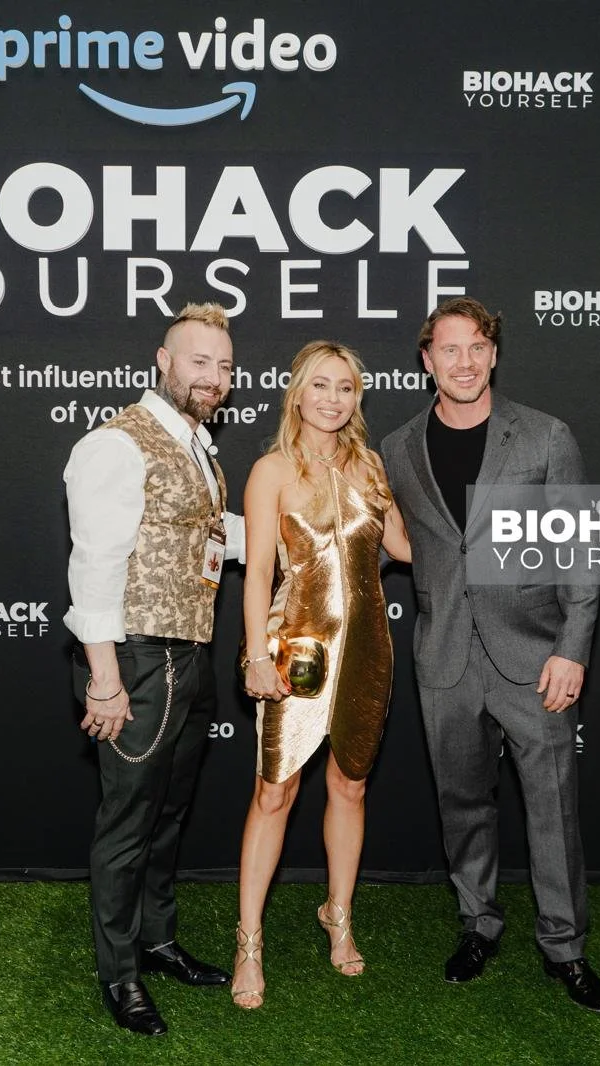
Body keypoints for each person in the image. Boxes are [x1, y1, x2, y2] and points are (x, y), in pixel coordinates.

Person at [378, 296, 600, 1013]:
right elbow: (402, 541)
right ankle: (478, 924)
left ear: (494, 355)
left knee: (551, 809)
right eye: (449, 349)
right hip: (444, 656)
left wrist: (573, 649)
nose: (465, 362)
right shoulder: (397, 449)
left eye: (477, 347)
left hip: (534, 655)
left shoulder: (545, 437)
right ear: (427, 361)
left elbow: (582, 551)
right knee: (462, 805)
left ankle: (565, 948)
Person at [62, 302, 246, 1036]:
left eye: (225, 367)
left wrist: (301, 532)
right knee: (129, 824)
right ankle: (120, 974)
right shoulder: (117, 443)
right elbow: (96, 560)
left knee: (168, 817)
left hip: (188, 655)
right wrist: (103, 678)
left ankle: (158, 938)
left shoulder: (197, 443)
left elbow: (212, 533)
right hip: (136, 659)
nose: (214, 378)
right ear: (163, 361)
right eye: (199, 362)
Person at [231, 341, 411, 1009]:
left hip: (368, 649)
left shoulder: (370, 467)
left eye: (346, 388)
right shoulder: (271, 470)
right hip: (296, 650)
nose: (334, 399)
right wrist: (255, 654)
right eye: (322, 386)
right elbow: (255, 576)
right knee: (274, 794)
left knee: (350, 786)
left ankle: (339, 914)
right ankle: (249, 940)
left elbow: (404, 549)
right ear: (298, 394)